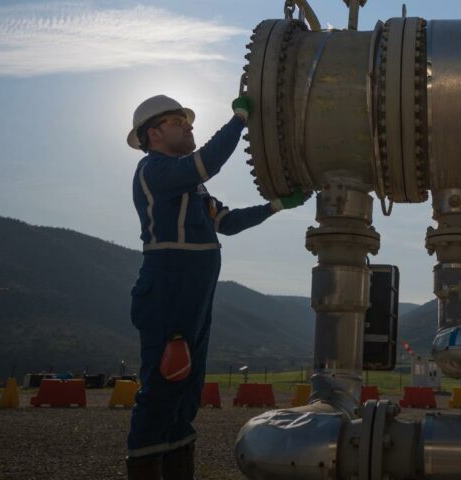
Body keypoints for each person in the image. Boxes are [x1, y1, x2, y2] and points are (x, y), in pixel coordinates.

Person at [124, 94, 307, 479]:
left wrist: (274, 206)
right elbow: (206, 164)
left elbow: (228, 221)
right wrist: (239, 120)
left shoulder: (192, 189)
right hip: (167, 289)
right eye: (178, 120)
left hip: (195, 296)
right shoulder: (153, 170)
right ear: (154, 133)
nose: (189, 125)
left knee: (185, 392)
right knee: (162, 385)